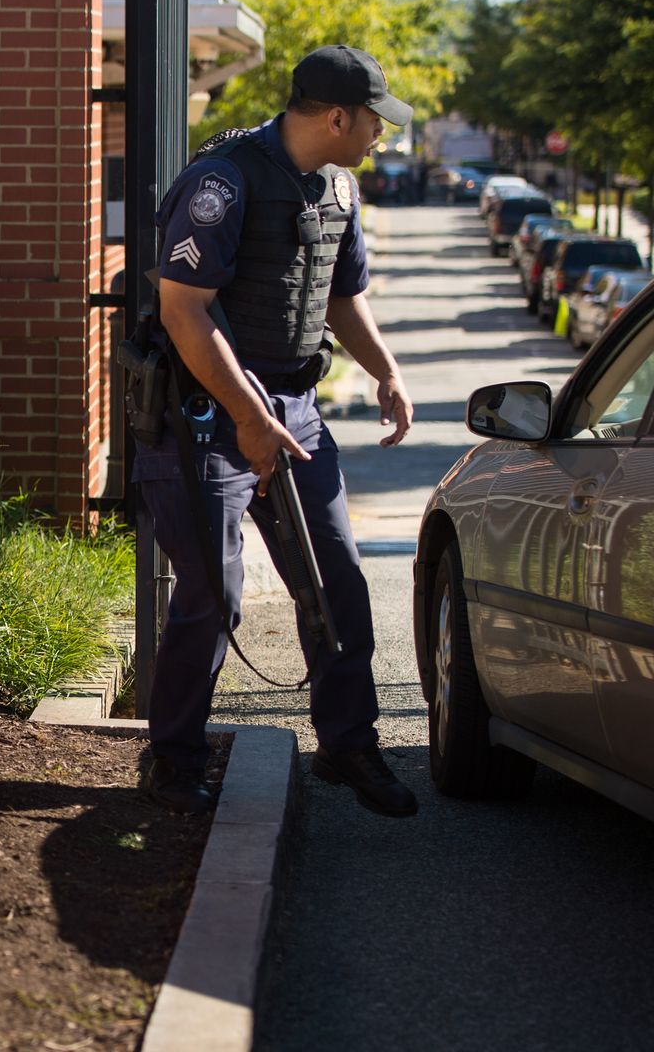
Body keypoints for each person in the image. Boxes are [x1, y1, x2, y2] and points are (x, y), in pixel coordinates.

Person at [135, 45, 419, 817]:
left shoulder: (340, 188)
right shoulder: (221, 182)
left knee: (336, 582)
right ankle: (174, 760)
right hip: (206, 418)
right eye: (374, 122)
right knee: (211, 596)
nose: (380, 136)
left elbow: (340, 296)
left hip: (294, 411)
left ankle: (348, 745)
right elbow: (182, 309)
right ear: (337, 116)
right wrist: (248, 420)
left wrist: (385, 371)